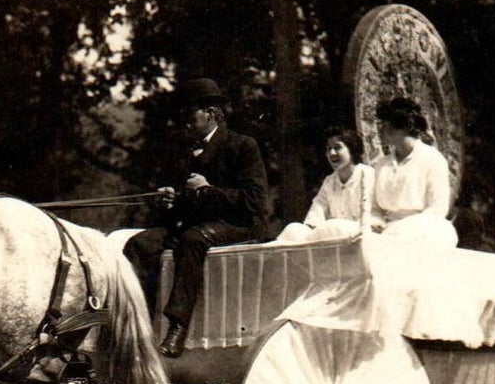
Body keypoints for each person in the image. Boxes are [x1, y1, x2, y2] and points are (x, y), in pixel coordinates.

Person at [124, 77, 270, 359]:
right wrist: (170, 201)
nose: (185, 122)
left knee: (192, 239)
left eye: (190, 114)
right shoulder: (187, 151)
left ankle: (177, 328)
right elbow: (188, 203)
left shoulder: (242, 145)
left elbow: (253, 201)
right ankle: (137, 326)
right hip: (200, 224)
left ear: (212, 113)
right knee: (139, 244)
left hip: (241, 225)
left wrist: (208, 190)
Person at [367, 95, 458, 246]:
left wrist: (403, 229)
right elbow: (374, 209)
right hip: (386, 233)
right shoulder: (381, 165)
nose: (381, 130)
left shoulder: (433, 159)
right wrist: (376, 223)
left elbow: (437, 208)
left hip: (422, 232)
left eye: (387, 124)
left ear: (405, 126)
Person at [276, 128, 372, 244]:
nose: (332, 153)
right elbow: (316, 214)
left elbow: (370, 216)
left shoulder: (366, 174)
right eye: (328, 149)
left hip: (361, 236)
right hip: (336, 238)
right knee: (293, 229)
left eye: (337, 148)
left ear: (352, 149)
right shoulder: (329, 181)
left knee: (333, 225)